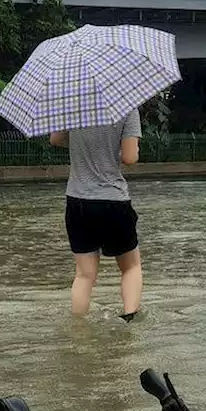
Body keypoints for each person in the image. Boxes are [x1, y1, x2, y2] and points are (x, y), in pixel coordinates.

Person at [49, 109, 143, 321]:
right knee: (131, 267)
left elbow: (54, 139)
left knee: (84, 275)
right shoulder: (127, 107)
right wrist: (126, 148)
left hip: (77, 201)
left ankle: (79, 331)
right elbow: (129, 157)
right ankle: (129, 321)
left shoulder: (73, 103)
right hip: (113, 200)